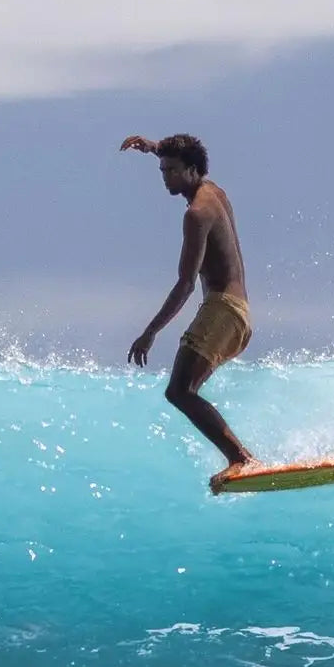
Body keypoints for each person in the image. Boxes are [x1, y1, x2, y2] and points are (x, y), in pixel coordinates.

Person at [120, 132, 257, 492]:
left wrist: (150, 332)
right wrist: (154, 149)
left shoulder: (197, 214)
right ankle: (240, 458)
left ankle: (241, 459)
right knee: (184, 389)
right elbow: (186, 156)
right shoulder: (215, 192)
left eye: (172, 171)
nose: (166, 177)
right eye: (162, 170)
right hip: (239, 313)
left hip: (222, 311)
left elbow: (184, 284)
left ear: (192, 171)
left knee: (179, 391)